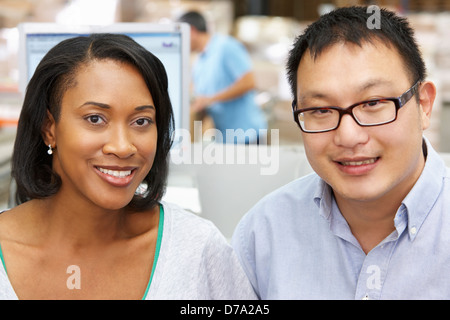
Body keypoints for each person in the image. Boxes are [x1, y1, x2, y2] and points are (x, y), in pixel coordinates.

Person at [0, 33, 256, 300]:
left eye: (141, 121)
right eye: (95, 118)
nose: (123, 147)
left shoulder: (195, 249)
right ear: (48, 128)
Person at [232, 6, 450, 299]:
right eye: (320, 109)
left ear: (423, 104)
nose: (348, 136)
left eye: (372, 103)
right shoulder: (263, 232)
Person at [178, 11, 267, 144]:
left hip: (247, 136)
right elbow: (201, 97)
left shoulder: (226, 47)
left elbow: (249, 82)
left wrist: (210, 99)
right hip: (226, 138)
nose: (180, 43)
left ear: (191, 31)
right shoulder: (199, 62)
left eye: (181, 36)